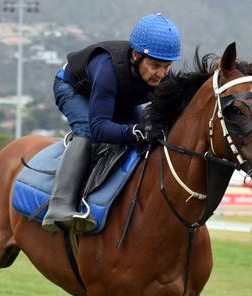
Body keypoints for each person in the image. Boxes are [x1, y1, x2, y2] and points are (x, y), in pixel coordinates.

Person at [42, 13, 181, 232]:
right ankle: (59, 206)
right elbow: (99, 129)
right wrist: (136, 130)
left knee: (148, 136)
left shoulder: (162, 75)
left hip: (116, 96)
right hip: (73, 89)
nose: (161, 74)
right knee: (86, 131)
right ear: (136, 56)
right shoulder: (107, 69)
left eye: (167, 66)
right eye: (155, 66)